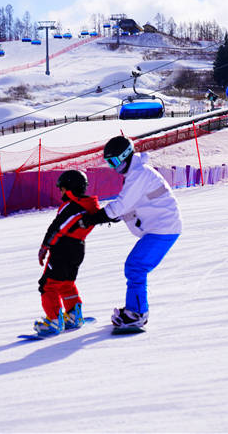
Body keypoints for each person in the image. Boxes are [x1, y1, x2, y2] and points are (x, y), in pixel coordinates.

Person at [80, 136, 182, 330]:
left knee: (136, 266)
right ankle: (134, 309)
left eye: (115, 162)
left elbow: (121, 204)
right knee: (135, 266)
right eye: (109, 163)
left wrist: (95, 218)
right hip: (160, 226)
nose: (113, 167)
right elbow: (130, 204)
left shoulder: (139, 174)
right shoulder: (135, 174)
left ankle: (137, 313)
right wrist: (112, 216)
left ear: (126, 156)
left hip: (163, 227)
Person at [34, 169, 101, 336]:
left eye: (62, 189)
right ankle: (73, 316)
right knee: (66, 284)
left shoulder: (73, 207)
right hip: (77, 249)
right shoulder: (87, 205)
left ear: (70, 188)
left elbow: (58, 227)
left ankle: (54, 321)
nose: (61, 192)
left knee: (47, 285)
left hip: (63, 250)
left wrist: (45, 246)